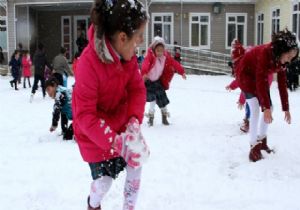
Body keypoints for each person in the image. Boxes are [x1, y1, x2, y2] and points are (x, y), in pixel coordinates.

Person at [72, 0, 150, 210]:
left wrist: (134, 120)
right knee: (104, 182)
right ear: (122, 38)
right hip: (94, 134)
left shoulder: (128, 57)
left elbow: (137, 89)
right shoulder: (88, 64)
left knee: (136, 164)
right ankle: (93, 203)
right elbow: (85, 115)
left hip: (122, 123)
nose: (141, 42)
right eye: (139, 37)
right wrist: (113, 142)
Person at [236, 29, 299, 162]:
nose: (289, 61)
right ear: (281, 50)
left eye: (292, 59)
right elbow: (260, 80)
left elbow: (282, 84)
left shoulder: (281, 61)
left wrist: (286, 108)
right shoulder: (265, 54)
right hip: (245, 75)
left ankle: (262, 141)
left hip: (258, 77)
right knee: (254, 109)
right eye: (288, 57)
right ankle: (253, 147)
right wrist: (265, 108)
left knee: (271, 107)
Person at [142, 36, 187, 126]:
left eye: (161, 51)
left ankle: (164, 117)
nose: (160, 53)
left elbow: (175, 63)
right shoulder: (150, 56)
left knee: (162, 99)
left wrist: (182, 72)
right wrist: (144, 73)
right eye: (158, 51)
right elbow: (145, 64)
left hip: (158, 82)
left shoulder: (166, 57)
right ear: (154, 49)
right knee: (153, 100)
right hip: (149, 81)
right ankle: (151, 117)